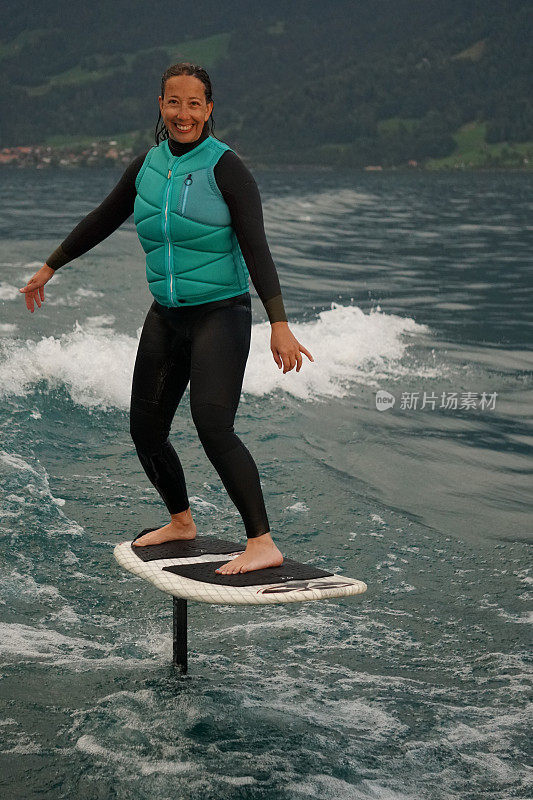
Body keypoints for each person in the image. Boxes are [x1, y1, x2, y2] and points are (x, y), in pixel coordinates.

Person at [19, 62, 313, 574]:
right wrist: (49, 267)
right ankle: (181, 520)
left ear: (209, 109)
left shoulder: (227, 168)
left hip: (221, 312)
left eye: (194, 104)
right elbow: (103, 219)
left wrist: (279, 324)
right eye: (173, 103)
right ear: (161, 105)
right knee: (145, 428)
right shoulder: (146, 168)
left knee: (212, 424)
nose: (183, 114)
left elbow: (257, 249)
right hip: (168, 315)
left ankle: (262, 541)